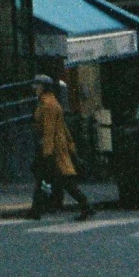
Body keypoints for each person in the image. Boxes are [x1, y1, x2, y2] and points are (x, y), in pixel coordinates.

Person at [31, 74, 92, 219]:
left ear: (43, 87)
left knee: (63, 181)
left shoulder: (49, 105)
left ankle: (85, 204)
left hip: (53, 150)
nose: (35, 89)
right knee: (44, 179)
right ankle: (36, 210)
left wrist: (47, 152)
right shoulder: (46, 103)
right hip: (53, 148)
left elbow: (50, 130)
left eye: (37, 86)